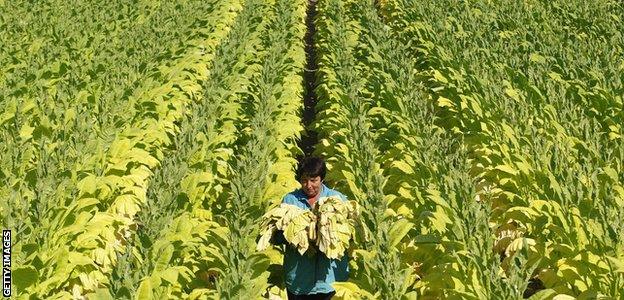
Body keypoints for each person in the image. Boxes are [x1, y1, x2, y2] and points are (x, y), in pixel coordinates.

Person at [276, 156, 349, 300]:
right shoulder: (290, 201)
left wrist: (329, 233)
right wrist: (300, 235)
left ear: (322, 178)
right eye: (304, 180)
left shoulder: (338, 200)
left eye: (313, 180)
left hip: (331, 280)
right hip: (299, 280)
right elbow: (276, 236)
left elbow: (350, 235)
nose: (308, 185)